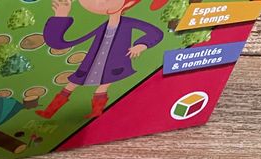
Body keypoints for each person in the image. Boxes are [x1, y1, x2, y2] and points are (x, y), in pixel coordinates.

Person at [37, 0, 165, 120]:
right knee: (71, 84)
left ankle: (96, 112)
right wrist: (60, 17)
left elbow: (156, 33)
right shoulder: (98, 26)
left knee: (102, 87)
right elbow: (58, 43)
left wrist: (141, 45)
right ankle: (49, 112)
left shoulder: (128, 23)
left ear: (128, 4)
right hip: (91, 64)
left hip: (114, 65)